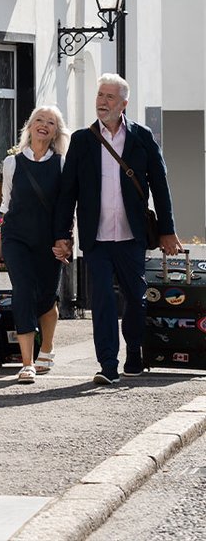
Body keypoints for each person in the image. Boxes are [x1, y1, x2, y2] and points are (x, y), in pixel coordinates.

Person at [54, 73, 182, 385]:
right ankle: (108, 365)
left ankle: (134, 350)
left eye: (110, 97)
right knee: (102, 301)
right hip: (96, 238)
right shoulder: (83, 140)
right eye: (100, 95)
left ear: (124, 103)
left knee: (136, 299)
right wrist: (63, 234)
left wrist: (167, 230)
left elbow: (160, 185)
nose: (102, 102)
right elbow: (67, 190)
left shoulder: (142, 137)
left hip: (131, 235)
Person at [0, 105, 69, 384]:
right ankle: (27, 363)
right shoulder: (12, 162)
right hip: (17, 238)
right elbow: (6, 205)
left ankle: (47, 348)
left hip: (50, 241)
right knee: (23, 292)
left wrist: (66, 239)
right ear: (29, 126)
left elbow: (66, 207)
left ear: (54, 132)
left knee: (46, 299)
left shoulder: (61, 163)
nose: (43, 125)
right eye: (39, 119)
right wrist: (1, 242)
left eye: (50, 122)